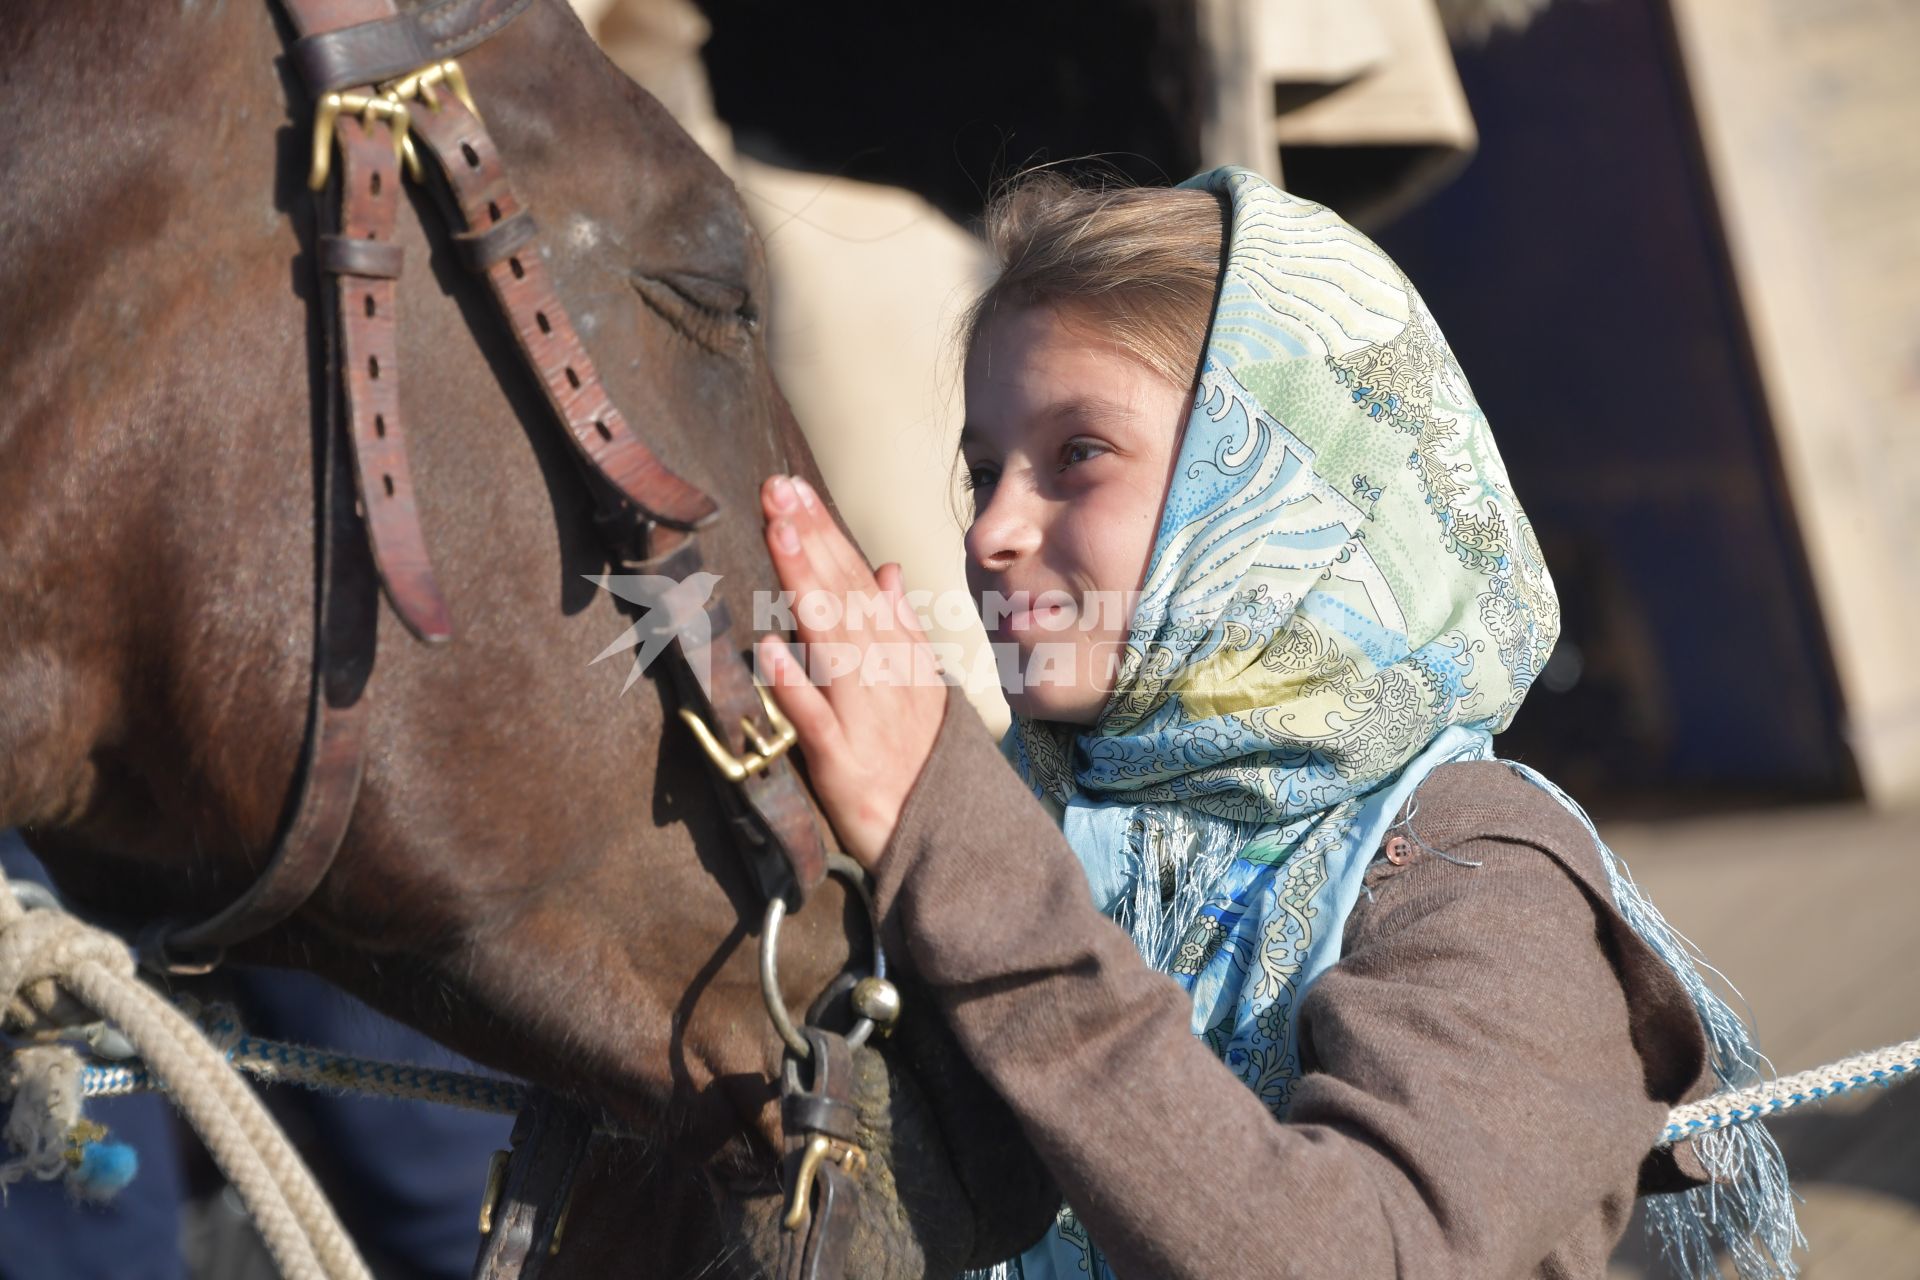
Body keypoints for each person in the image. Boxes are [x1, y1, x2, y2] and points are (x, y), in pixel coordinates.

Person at [749, 168, 1799, 1278]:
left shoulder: (1479, 869)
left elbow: (1359, 1255)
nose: (995, 529)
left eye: (1078, 454)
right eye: (983, 469)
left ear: (1288, 478)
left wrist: (948, 836)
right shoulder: (1000, 815)